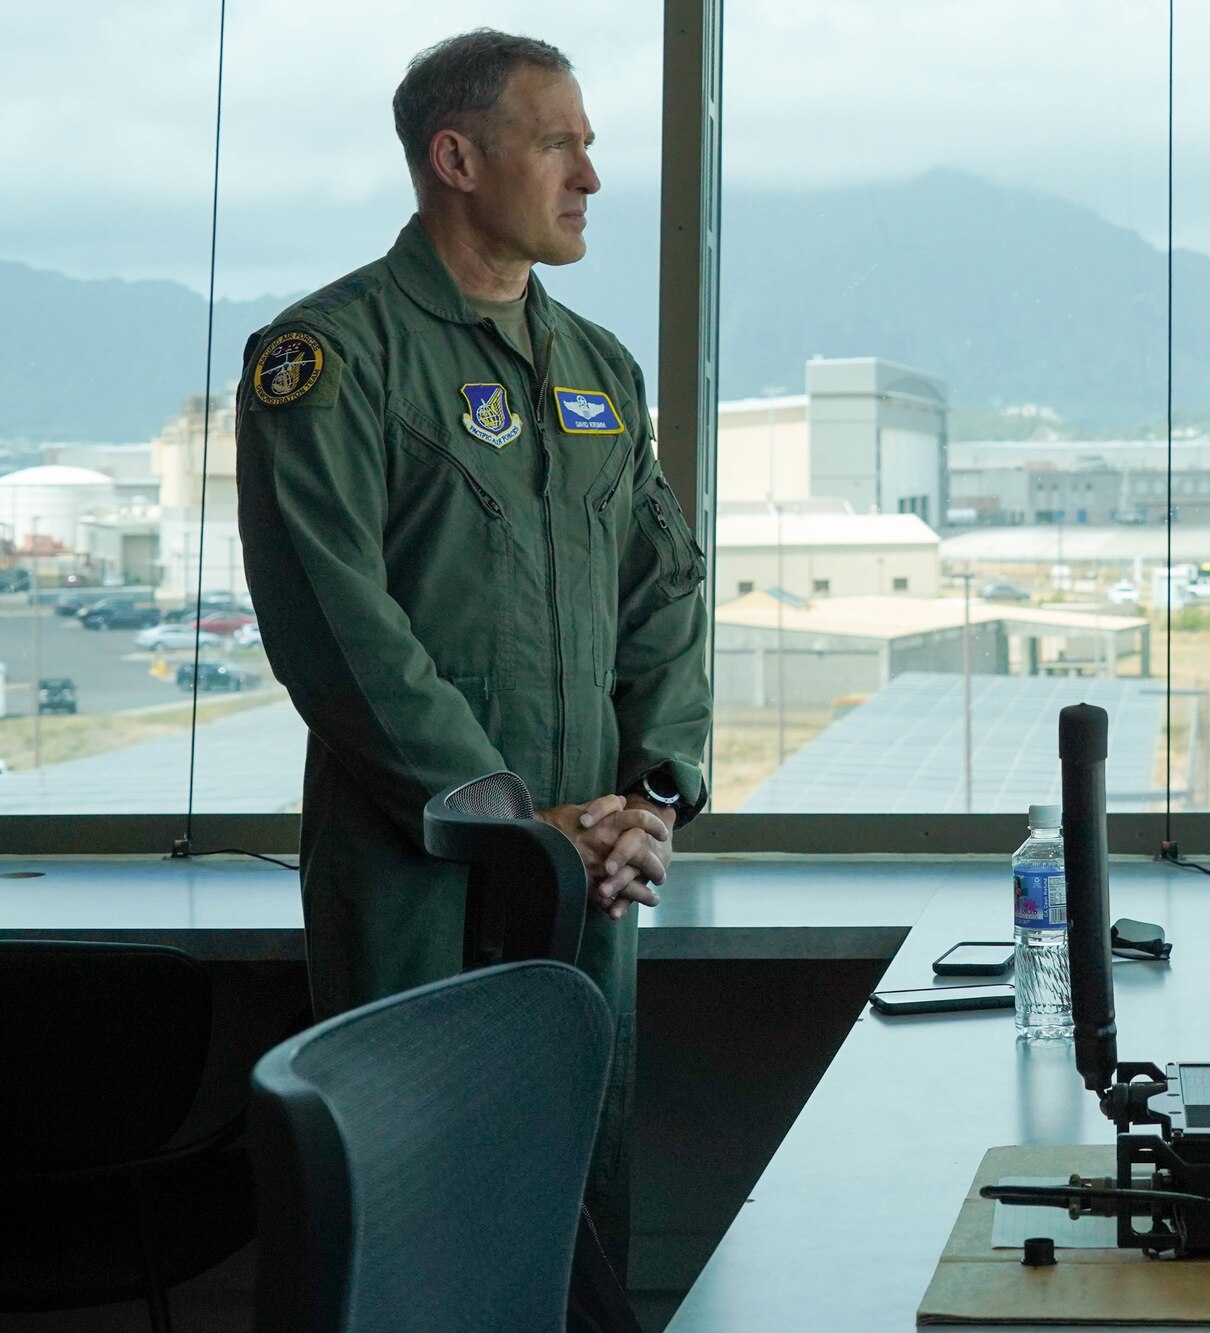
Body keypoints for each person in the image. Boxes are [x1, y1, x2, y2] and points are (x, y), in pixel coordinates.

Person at [234, 29, 710, 1272]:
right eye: (558, 144)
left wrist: (652, 799)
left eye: (589, 147)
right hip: (416, 873)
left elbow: (664, 593)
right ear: (454, 157)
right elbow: (333, 628)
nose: (591, 177)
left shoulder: (599, 367)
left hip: (590, 872)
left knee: (574, 1197)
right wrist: (510, 820)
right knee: (415, 1208)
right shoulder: (328, 358)